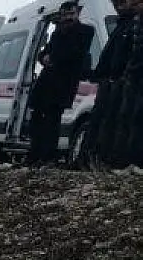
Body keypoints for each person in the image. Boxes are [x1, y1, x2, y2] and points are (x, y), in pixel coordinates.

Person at [24, 1, 96, 167]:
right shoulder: (58, 32)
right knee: (37, 119)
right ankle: (34, 154)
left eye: (71, 14)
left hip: (63, 83)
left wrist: (52, 57)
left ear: (77, 14)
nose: (68, 18)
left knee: (52, 120)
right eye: (65, 15)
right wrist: (44, 58)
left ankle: (48, 156)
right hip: (46, 81)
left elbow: (73, 53)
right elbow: (44, 52)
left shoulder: (85, 31)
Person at [83, 0, 136, 168]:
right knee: (100, 121)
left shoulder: (133, 27)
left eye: (122, 2)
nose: (118, 6)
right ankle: (92, 157)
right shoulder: (120, 26)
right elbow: (109, 55)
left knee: (114, 123)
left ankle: (109, 160)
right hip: (109, 81)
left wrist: (124, 76)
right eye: (115, 3)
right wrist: (98, 74)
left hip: (123, 82)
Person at [113, 1, 143, 167]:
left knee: (137, 118)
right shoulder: (136, 24)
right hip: (132, 77)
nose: (134, 7)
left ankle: (135, 162)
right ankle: (125, 161)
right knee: (128, 117)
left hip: (137, 75)